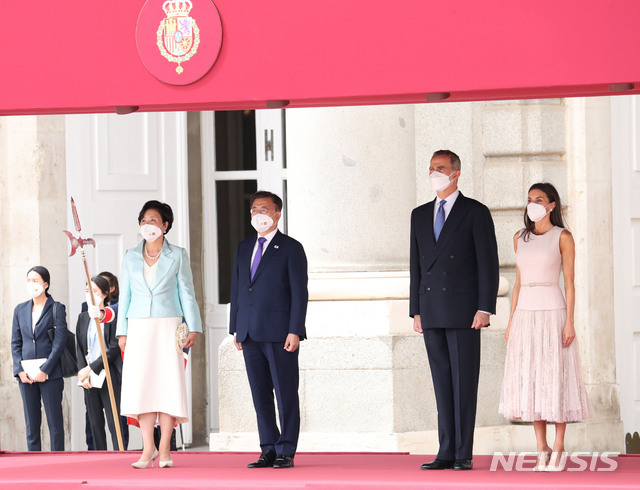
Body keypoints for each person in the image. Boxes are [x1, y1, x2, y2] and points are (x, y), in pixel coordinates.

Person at [410, 150, 499, 471]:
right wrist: (415, 310)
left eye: (441, 168)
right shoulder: (419, 215)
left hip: (465, 312)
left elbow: (487, 263)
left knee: (463, 383)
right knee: (442, 383)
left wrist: (485, 307)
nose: (435, 173)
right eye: (432, 168)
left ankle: (463, 453)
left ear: (456, 173)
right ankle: (445, 450)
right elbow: (416, 266)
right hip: (431, 310)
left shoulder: (475, 212)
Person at [499, 183, 593, 471]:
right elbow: (517, 282)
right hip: (525, 314)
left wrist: (570, 321)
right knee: (531, 378)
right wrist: (511, 320)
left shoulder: (562, 237)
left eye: (539, 199)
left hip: (553, 312)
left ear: (552, 205)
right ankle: (541, 447)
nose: (533, 204)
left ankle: (560, 444)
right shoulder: (519, 237)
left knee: (556, 376)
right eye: (529, 199)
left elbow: (570, 282)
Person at [116, 200, 201, 468]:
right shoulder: (130, 255)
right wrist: (122, 332)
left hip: (168, 324)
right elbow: (125, 295)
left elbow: (187, 291)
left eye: (153, 220)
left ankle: (165, 447)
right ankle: (147, 447)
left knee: (167, 383)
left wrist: (194, 326)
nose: (148, 225)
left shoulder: (177, 254)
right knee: (142, 383)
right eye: (144, 220)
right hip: (138, 325)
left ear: (165, 225)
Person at [230, 190, 308, 469]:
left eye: (264, 209)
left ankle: (286, 448)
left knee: (285, 392)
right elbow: (238, 289)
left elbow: (300, 293)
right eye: (254, 210)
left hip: (280, 333)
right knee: (260, 393)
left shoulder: (290, 248)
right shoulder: (243, 247)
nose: (258, 214)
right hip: (249, 332)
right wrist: (235, 328)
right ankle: (268, 447)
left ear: (277, 213)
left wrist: (295, 330)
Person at [11, 266, 68, 451]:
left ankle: (57, 462)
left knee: (55, 425)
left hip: (49, 374)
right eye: (28, 280)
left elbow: (59, 343)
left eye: (35, 280)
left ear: (46, 284)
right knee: (32, 425)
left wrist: (45, 370)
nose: (31, 284)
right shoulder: (20, 309)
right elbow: (16, 342)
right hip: (26, 375)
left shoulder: (57, 308)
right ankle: (34, 462)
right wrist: (19, 370)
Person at [76, 275, 125, 450]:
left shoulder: (112, 316)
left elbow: (113, 348)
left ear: (105, 293)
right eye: (88, 290)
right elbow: (79, 348)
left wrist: (91, 368)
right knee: (95, 422)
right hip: (89, 377)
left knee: (115, 422)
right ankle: (99, 455)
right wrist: (83, 372)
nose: (90, 294)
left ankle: (120, 453)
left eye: (94, 291)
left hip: (108, 373)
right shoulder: (83, 318)